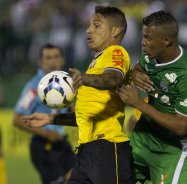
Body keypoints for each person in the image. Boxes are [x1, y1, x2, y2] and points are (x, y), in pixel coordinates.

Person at [22, 6, 134, 184]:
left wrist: (85, 78)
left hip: (107, 149)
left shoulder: (116, 53)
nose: (89, 30)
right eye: (90, 25)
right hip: (86, 151)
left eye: (97, 26)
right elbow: (85, 116)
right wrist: (50, 119)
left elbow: (114, 78)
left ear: (115, 31)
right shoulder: (96, 63)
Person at [117, 10, 187, 183]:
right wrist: (135, 74)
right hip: (144, 137)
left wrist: (138, 104)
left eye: (148, 38)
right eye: (143, 36)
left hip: (174, 148)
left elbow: (181, 127)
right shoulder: (152, 55)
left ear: (167, 41)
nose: (143, 43)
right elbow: (139, 69)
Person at [13, 43, 75, 184]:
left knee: (77, 178)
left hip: (62, 142)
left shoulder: (66, 83)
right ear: (40, 62)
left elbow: (72, 111)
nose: (53, 61)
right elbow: (17, 119)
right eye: (48, 58)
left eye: (56, 56)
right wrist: (47, 133)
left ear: (62, 60)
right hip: (43, 145)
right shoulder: (34, 87)